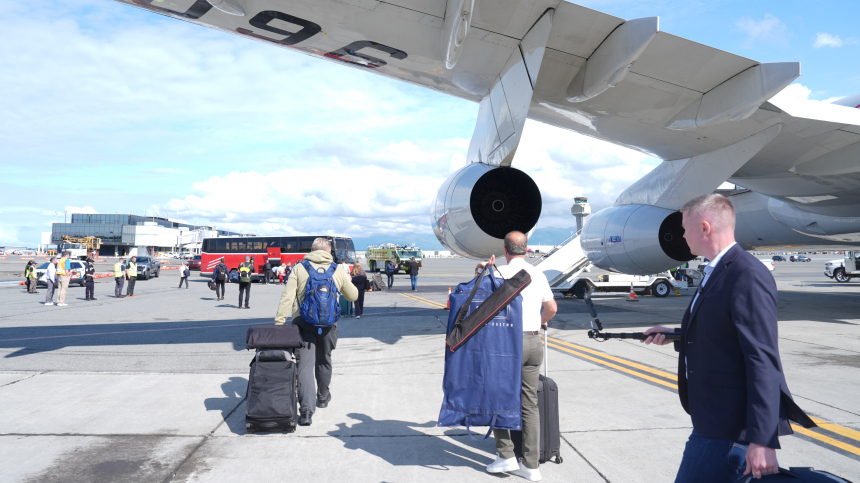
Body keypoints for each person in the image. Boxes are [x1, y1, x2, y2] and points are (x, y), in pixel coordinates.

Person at [642, 194, 804, 482]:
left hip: (729, 430)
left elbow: (762, 360)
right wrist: (676, 335)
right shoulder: (718, 269)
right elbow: (725, 333)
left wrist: (763, 439)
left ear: (704, 228)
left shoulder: (746, 274)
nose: (682, 235)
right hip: (712, 421)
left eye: (684, 228)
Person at [484, 231, 557, 482]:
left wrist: (484, 271)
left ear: (505, 250)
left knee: (498, 398)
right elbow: (551, 308)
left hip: (506, 343)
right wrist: (541, 322)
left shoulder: (497, 273)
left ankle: (506, 455)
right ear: (527, 249)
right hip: (533, 341)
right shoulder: (538, 274)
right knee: (530, 404)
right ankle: (531, 465)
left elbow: (480, 305)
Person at [274, 237, 358, 427]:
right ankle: (323, 396)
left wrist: (279, 324)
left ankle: (305, 411)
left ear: (312, 250)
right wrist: (346, 282)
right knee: (324, 360)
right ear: (328, 251)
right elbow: (353, 296)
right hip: (328, 325)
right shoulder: (337, 269)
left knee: (304, 366)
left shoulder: (299, 268)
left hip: (303, 323)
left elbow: (287, 298)